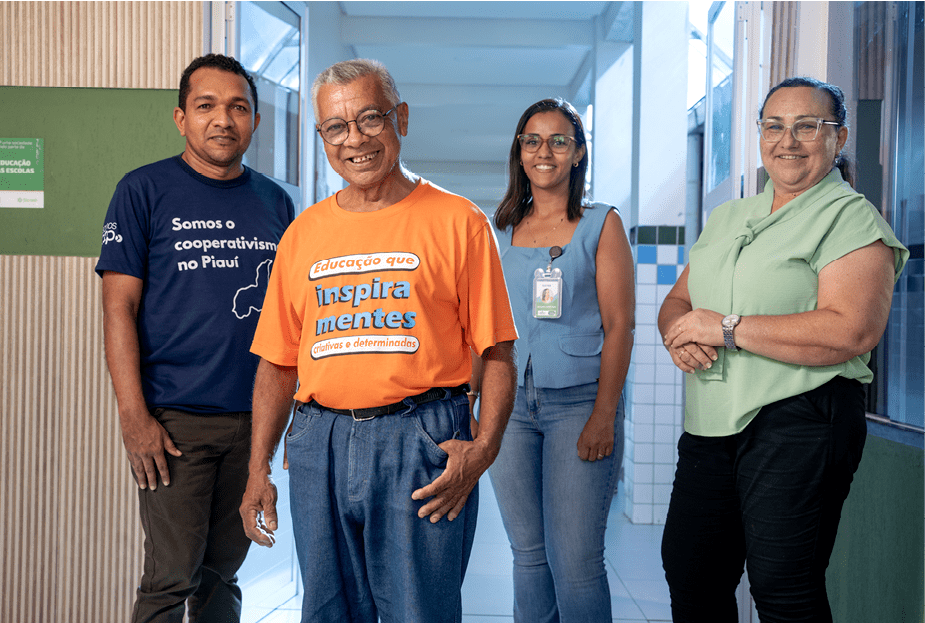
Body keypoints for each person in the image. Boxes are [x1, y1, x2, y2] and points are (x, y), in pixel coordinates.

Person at [239, 58, 518, 623]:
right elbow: (277, 362)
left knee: (420, 611)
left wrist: (484, 448)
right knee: (327, 610)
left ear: (402, 120)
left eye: (370, 118)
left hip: (419, 439)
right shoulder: (303, 235)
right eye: (336, 127)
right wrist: (257, 468)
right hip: (318, 441)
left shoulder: (459, 222)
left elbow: (498, 351)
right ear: (322, 136)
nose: (355, 140)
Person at [658, 77, 909, 622]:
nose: (787, 140)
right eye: (774, 126)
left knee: (782, 589)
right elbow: (678, 303)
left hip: (800, 420)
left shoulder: (851, 218)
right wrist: (680, 337)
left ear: (838, 138)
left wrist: (724, 328)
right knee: (690, 572)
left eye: (807, 127)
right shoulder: (729, 217)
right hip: (710, 427)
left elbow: (851, 332)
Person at [97, 54, 295, 622]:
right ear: (181, 117)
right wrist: (135, 418)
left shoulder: (276, 203)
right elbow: (119, 309)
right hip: (174, 422)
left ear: (255, 120)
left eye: (238, 107)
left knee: (222, 576)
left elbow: (289, 318)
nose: (223, 120)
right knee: (170, 577)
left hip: (253, 421)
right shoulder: (142, 190)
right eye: (206, 106)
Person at [475, 98, 635, 622]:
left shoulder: (601, 224)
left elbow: (620, 327)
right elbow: (483, 329)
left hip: (578, 405)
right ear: (519, 153)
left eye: (559, 140)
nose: (544, 151)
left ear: (578, 152)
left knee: (577, 563)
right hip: (509, 409)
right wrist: (473, 406)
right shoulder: (499, 231)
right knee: (529, 558)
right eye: (532, 140)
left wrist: (604, 416)